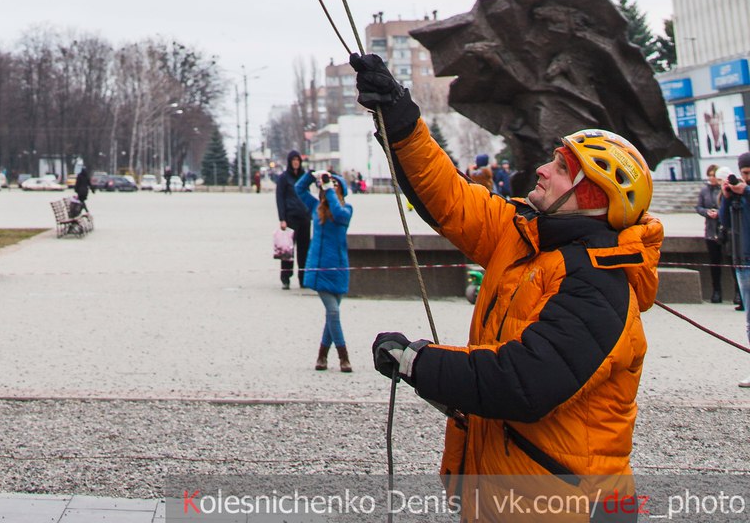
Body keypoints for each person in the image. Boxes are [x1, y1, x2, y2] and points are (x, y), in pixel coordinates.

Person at [352, 51, 661, 493]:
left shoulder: (599, 284)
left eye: (560, 168)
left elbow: (522, 383)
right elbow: (450, 197)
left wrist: (417, 361)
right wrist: (400, 117)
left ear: (593, 194)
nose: (541, 169)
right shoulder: (522, 234)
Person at [297, 165, 354, 372]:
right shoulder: (315, 208)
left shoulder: (346, 210)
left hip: (338, 269)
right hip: (320, 269)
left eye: (333, 186)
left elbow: (338, 214)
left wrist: (330, 186)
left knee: (332, 315)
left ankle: (322, 357)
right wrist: (311, 175)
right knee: (333, 312)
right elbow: (299, 190)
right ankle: (343, 357)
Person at [719, 155, 750, 384]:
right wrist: (727, 199)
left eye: (749, 173)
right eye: (744, 173)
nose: (746, 178)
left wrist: (745, 192)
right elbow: (725, 223)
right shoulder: (737, 196)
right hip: (741, 262)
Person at [276, 150, 314, 287]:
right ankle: (285, 278)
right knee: (288, 251)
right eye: (294, 160)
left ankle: (303, 278)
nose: (296, 162)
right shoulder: (284, 178)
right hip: (290, 217)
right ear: (290, 162)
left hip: (304, 217)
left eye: (298, 160)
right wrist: (282, 219)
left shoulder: (304, 177)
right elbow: (280, 199)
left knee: (304, 250)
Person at [696, 164, 723, 305]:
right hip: (711, 231)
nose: (712, 178)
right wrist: (707, 212)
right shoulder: (704, 191)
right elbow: (699, 207)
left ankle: (737, 293)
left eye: (714, 175)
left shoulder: (724, 189)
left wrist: (720, 213)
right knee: (714, 262)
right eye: (710, 175)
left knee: (730, 263)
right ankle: (716, 291)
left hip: (724, 231)